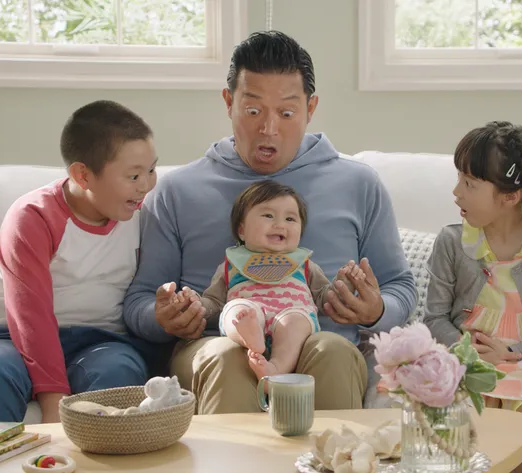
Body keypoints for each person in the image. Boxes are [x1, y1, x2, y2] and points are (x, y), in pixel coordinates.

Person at [122, 31, 417, 413]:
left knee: (332, 351)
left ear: (311, 108)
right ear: (229, 102)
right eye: (253, 110)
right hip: (217, 342)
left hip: (319, 340)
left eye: (287, 113)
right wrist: (164, 318)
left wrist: (375, 311)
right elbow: (139, 302)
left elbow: (400, 288)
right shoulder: (177, 190)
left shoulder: (358, 184)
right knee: (227, 357)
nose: (269, 128)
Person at [0, 100, 165, 423]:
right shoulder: (33, 217)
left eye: (151, 170)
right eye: (134, 175)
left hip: (101, 341)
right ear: (83, 175)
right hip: (10, 339)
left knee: (118, 370)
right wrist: (53, 398)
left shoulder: (145, 212)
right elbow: (30, 315)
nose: (146, 185)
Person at [423, 121, 522, 473]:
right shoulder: (451, 242)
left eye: (469, 184)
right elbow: (434, 318)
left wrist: (514, 353)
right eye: (458, 178)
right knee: (460, 416)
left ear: (510, 197)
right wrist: (467, 351)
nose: (456, 192)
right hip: (466, 355)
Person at [178, 180, 365, 380]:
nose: (280, 224)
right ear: (242, 230)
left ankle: (276, 368)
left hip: (291, 324)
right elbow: (215, 303)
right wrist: (196, 304)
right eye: (268, 216)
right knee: (236, 310)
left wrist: (344, 283)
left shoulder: (303, 265)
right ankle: (249, 338)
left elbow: (324, 298)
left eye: (290, 219)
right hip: (250, 318)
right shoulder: (231, 266)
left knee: (295, 321)